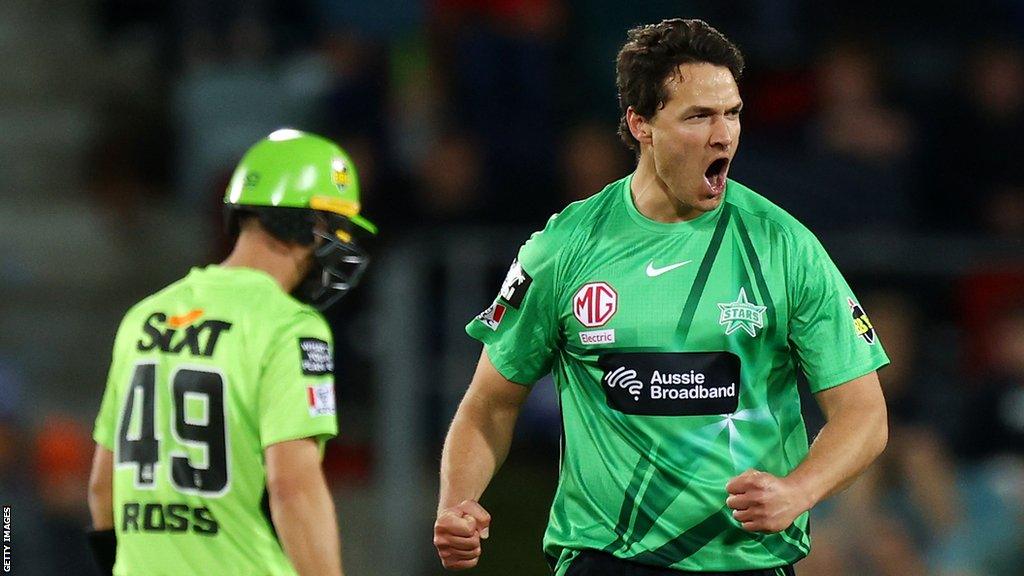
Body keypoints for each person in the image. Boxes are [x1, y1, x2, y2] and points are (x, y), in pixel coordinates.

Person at [433, 19, 889, 576]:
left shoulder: (785, 246)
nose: (723, 135)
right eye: (698, 116)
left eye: (733, 113)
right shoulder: (564, 247)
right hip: (607, 559)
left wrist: (799, 490)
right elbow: (490, 402)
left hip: (746, 561)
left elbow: (864, 414)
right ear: (640, 123)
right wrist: (457, 501)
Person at [86, 129, 376, 576]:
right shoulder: (290, 326)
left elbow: (102, 490)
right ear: (310, 224)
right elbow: (293, 489)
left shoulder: (144, 317)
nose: (337, 243)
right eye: (335, 227)